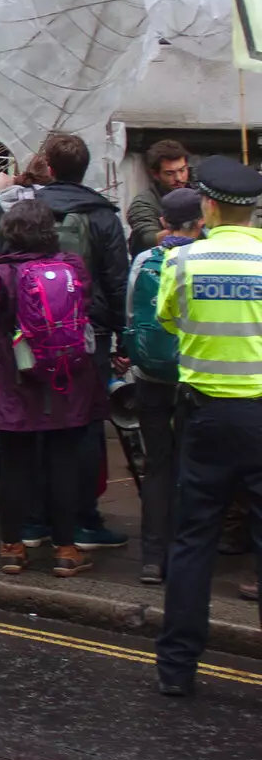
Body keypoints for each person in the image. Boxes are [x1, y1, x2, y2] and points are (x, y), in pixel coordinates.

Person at [0, 199, 108, 580]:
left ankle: (12, 549)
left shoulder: (1, 273)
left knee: (16, 465)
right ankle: (66, 551)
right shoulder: (72, 267)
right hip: (66, 380)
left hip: (17, 381)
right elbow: (82, 307)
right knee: (63, 464)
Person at [153, 158, 262, 697]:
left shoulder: (182, 262)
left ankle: (177, 668)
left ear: (209, 206)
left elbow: (169, 320)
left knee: (194, 539)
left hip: (205, 414)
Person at [36, 133, 131, 550]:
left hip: (35, 336)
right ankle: (83, 521)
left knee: (38, 421)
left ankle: (36, 520)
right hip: (90, 335)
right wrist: (121, 337)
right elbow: (117, 281)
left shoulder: (28, 210)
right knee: (88, 426)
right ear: (85, 169)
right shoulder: (103, 216)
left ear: (50, 168)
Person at [126, 187, 205, 585]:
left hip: (149, 375)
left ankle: (152, 559)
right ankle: (187, 555)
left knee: (157, 465)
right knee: (193, 466)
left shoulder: (144, 259)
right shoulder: (203, 260)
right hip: (194, 377)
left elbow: (130, 313)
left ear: (162, 224)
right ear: (201, 221)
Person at [128, 139, 193, 255]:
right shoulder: (144, 202)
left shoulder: (198, 194)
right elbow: (149, 238)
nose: (179, 178)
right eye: (170, 173)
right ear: (155, 174)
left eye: (182, 170)